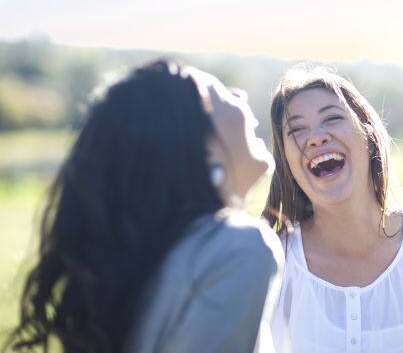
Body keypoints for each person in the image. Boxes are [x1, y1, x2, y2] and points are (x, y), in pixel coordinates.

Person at [4, 59, 283, 353]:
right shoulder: (238, 249)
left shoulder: (149, 261)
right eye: (220, 93)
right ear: (196, 141)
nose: (241, 94)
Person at [262, 65, 403, 352]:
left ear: (368, 137)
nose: (316, 137)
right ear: (287, 163)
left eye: (331, 118)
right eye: (297, 129)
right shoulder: (270, 264)